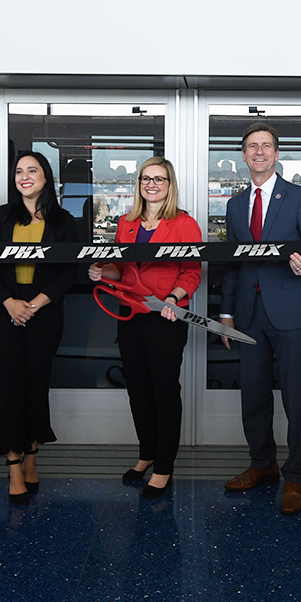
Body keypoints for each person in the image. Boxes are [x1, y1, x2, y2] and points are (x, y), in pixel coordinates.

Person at [216, 123, 301, 516]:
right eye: (252, 146)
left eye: (266, 146)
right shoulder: (235, 204)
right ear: (244, 155)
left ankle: (295, 476)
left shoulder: (299, 197)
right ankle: (263, 464)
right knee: (254, 394)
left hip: (290, 310)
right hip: (248, 313)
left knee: (296, 397)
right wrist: (226, 312)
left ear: (276, 154)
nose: (259, 152)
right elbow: (231, 262)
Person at [92, 157, 202, 501]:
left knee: (164, 391)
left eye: (159, 179)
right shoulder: (126, 223)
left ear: (169, 185)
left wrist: (173, 298)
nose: (151, 184)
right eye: (146, 178)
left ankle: (164, 466)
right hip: (131, 316)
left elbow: (191, 273)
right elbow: (122, 271)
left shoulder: (184, 224)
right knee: (138, 389)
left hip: (166, 317)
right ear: (139, 183)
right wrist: (102, 272)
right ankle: (147, 454)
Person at [0, 153, 77, 505]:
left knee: (36, 385)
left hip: (44, 313)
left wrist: (35, 304)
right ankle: (13, 465)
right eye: (19, 171)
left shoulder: (64, 220)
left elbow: (70, 270)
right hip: (4, 311)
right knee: (9, 388)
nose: (25, 176)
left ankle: (32, 455)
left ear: (46, 177)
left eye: (32, 170)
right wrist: (8, 302)